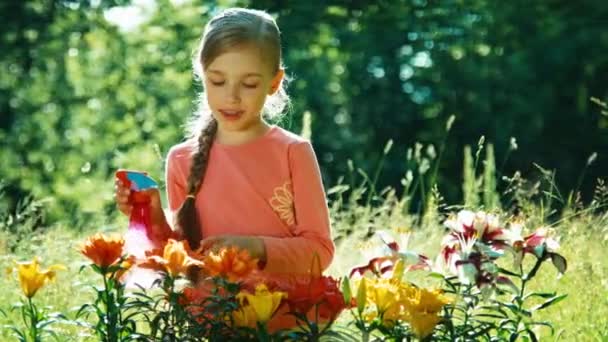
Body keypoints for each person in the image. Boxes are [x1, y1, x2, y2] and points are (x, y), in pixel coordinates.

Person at [114, 7, 335, 330]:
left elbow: (319, 252)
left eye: (248, 83)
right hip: (212, 324)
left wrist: (255, 247)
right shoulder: (182, 159)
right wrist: (152, 216)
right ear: (202, 76)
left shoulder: (293, 152)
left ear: (274, 83)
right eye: (218, 81)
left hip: (284, 323)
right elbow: (184, 258)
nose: (231, 96)